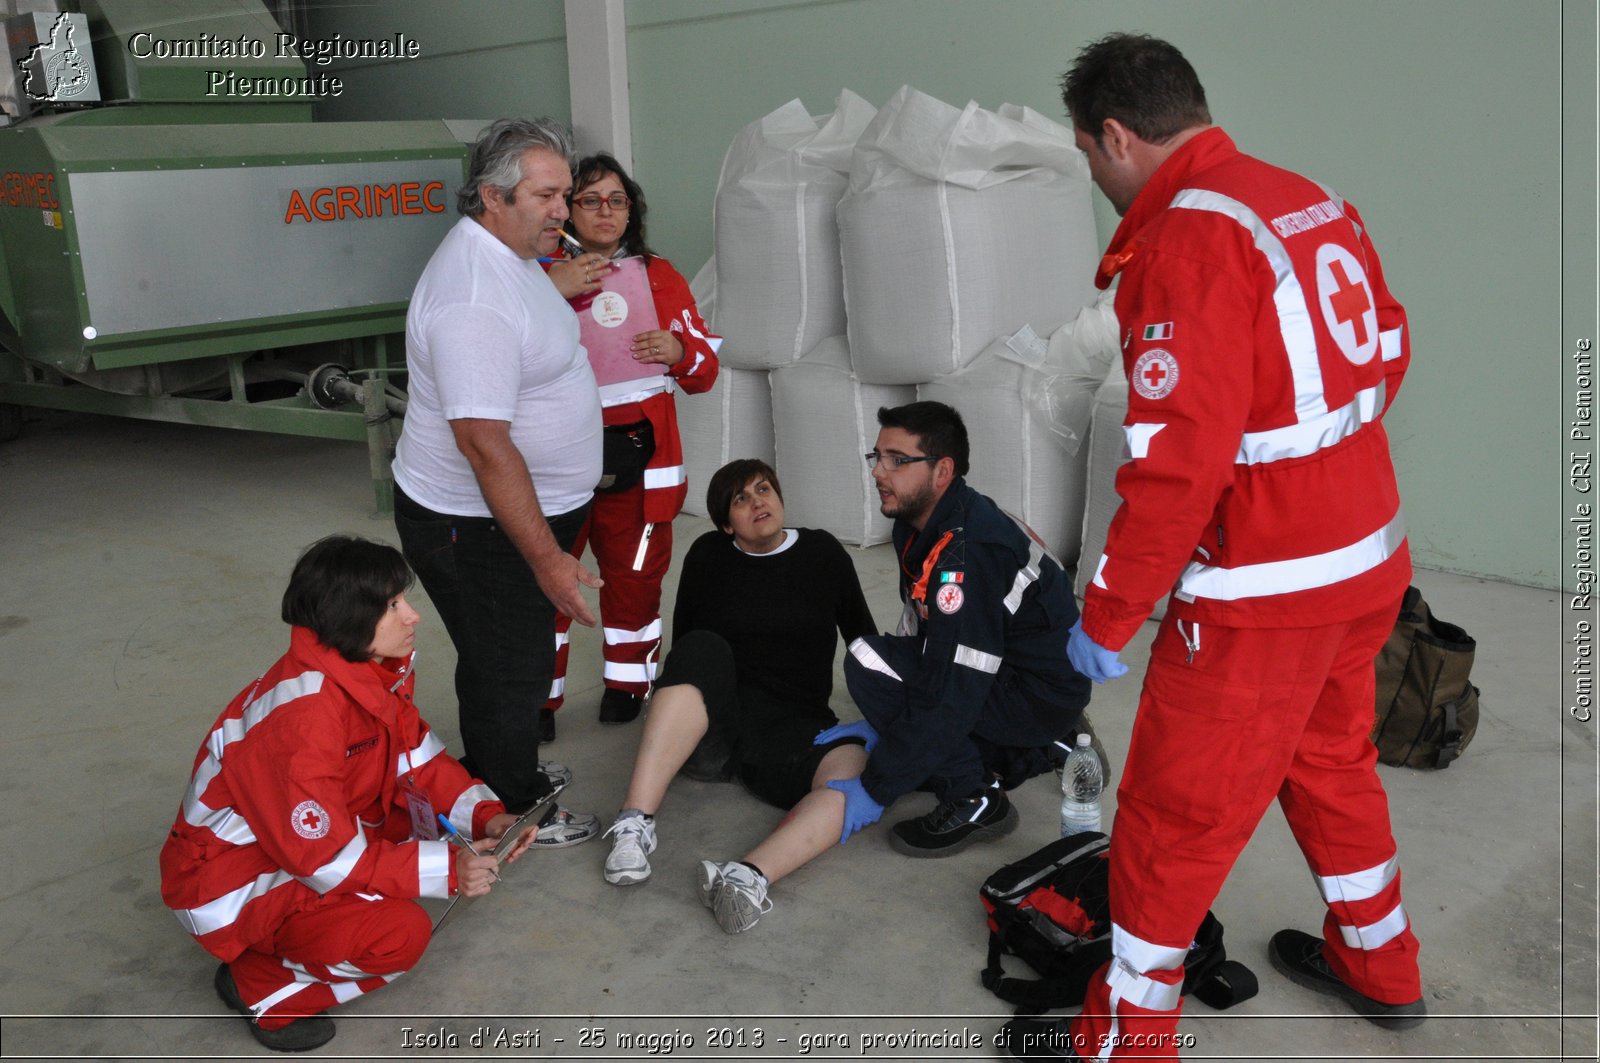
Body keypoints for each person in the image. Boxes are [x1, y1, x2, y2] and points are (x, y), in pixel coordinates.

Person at [1038, 33, 1423, 1062]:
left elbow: (1174, 465)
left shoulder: (1183, 242)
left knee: (1174, 817)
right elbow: (1386, 348)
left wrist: (1108, 613)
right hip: (1364, 565)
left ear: (1115, 135)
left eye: (1087, 156)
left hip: (1263, 598)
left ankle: (1126, 1036)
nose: (1095, 179)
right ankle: (1379, 960)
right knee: (1332, 763)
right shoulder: (1306, 197)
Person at [159, 536, 531, 1052]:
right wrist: (448, 869)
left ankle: (290, 950)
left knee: (397, 837)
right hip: (238, 883)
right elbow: (323, 857)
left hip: (291, 851)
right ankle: (261, 984)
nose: (413, 617)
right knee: (398, 935)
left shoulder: (365, 675)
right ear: (348, 618)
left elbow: (417, 761)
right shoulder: (303, 721)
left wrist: (487, 817)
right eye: (394, 605)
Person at [390, 117, 605, 846]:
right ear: (491, 195)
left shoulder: (511, 253)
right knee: (510, 665)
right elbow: (484, 445)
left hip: (509, 516)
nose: (562, 211)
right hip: (477, 525)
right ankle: (508, 810)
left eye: (565, 193)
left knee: (505, 655)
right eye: (546, 196)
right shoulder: (473, 296)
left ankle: (487, 776)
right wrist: (548, 559)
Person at [598, 458, 877, 935]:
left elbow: (862, 640)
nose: (757, 503)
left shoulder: (823, 553)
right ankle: (632, 825)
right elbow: (687, 654)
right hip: (715, 730)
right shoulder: (708, 555)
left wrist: (892, 715)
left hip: (793, 730)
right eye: (740, 500)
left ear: (781, 498)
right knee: (700, 647)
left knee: (856, 766)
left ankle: (748, 877)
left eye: (763, 489)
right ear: (728, 525)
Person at [826, 401, 1092, 857]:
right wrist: (892, 710)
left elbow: (954, 686)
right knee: (902, 692)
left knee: (866, 662)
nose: (878, 473)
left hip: (1037, 692)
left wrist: (878, 782)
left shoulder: (967, 554)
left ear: (942, 470)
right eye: (877, 457)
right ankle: (1049, 744)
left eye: (897, 460)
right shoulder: (925, 521)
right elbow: (922, 619)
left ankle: (976, 797)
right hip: (1030, 674)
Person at [539, 152, 722, 737]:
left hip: (640, 464)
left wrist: (679, 352)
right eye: (589, 200)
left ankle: (627, 684)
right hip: (552, 460)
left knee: (635, 581)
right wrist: (550, 289)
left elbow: (704, 368)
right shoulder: (531, 274)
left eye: (617, 200)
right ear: (565, 208)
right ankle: (536, 698)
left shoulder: (660, 275)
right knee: (545, 583)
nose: (605, 212)